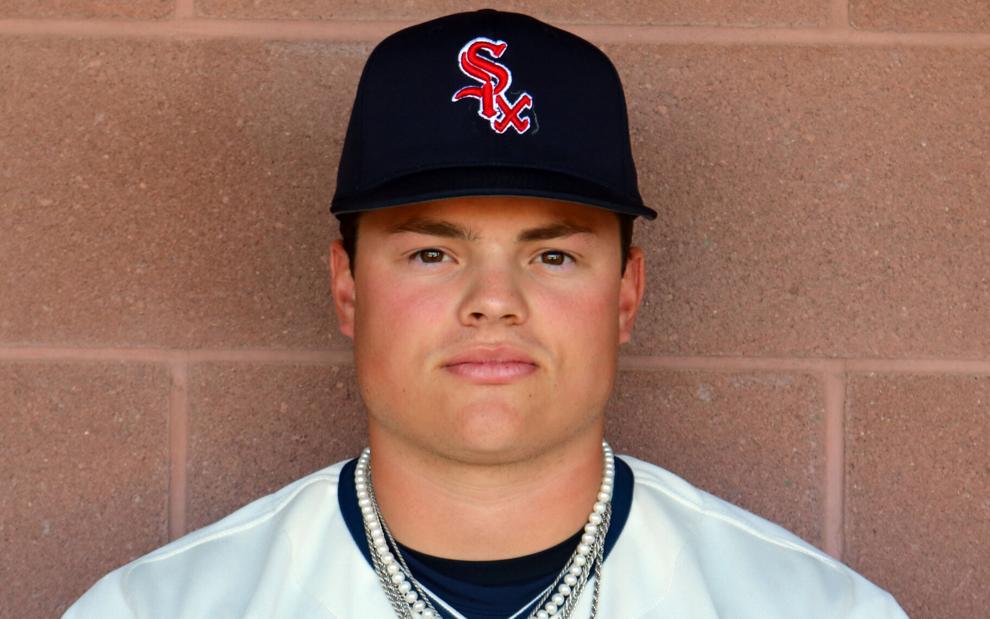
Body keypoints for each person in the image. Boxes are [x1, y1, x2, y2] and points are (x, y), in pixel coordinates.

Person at [65, 9, 908, 618]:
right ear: (347, 287)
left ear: (627, 295)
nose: (494, 301)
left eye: (553, 255)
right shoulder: (157, 608)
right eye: (432, 252)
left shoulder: (814, 607)